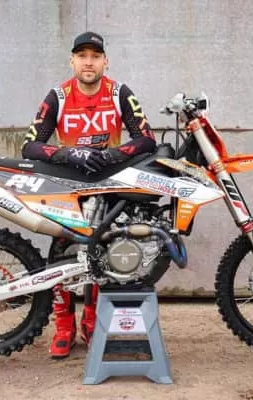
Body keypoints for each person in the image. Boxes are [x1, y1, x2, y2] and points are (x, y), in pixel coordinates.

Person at [20, 31, 156, 359]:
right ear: (72, 61)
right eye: (82, 56)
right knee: (62, 255)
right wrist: (69, 154)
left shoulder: (120, 92)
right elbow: (30, 145)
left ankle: (92, 322)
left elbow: (146, 139)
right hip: (66, 186)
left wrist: (114, 154)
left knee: (99, 256)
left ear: (106, 61)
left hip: (106, 186)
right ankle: (64, 327)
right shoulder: (58, 96)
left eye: (95, 56)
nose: (89, 62)